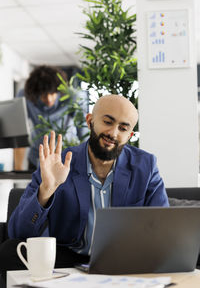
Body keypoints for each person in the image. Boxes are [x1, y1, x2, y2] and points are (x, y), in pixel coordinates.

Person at [0, 94, 169, 286]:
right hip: (71, 256)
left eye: (123, 128)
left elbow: (162, 231)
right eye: (107, 121)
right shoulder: (57, 163)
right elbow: (17, 232)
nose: (113, 133)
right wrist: (46, 190)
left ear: (130, 135)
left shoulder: (145, 165)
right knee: (9, 251)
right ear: (90, 121)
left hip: (125, 259)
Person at [14, 65, 86, 171]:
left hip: (65, 159)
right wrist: (18, 169)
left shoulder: (73, 97)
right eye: (43, 95)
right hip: (37, 158)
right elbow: (19, 133)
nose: (48, 99)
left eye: (52, 93)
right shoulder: (25, 96)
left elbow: (84, 133)